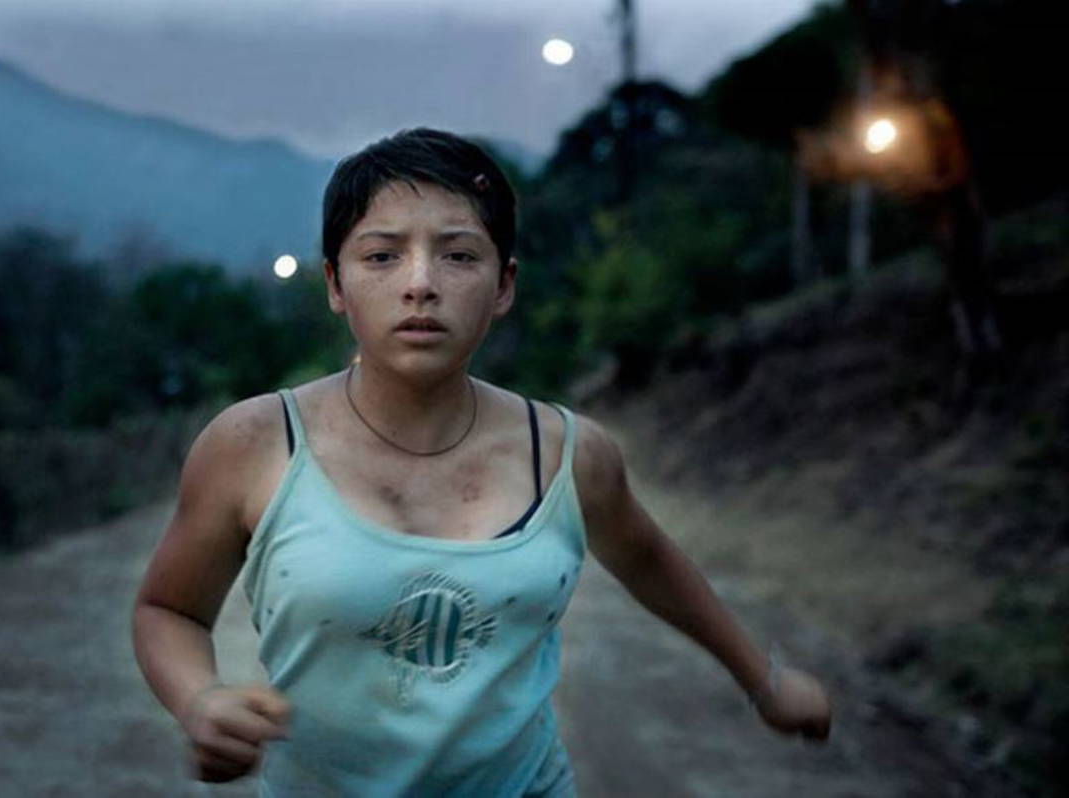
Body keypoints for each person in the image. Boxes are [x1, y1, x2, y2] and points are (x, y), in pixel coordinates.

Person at [131, 127, 832, 796]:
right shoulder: (255, 442)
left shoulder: (568, 455)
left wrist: (763, 680)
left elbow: (650, 561)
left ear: (503, 286)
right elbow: (168, 609)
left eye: (459, 256)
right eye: (382, 256)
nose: (420, 284)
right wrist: (199, 701)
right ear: (335, 285)